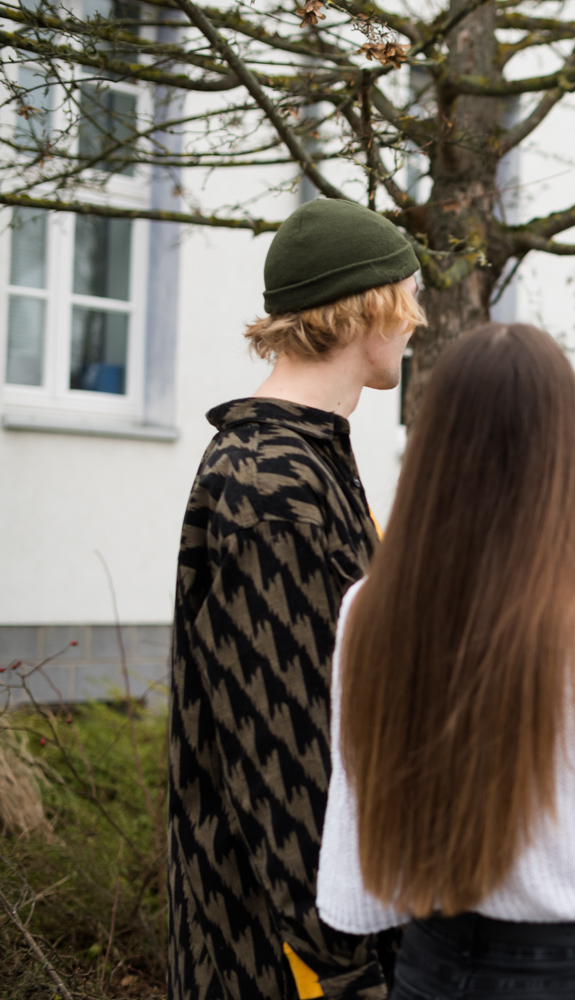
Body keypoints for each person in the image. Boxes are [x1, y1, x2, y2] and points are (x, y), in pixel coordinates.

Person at [316, 324, 575, 1000]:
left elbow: (355, 886)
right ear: (567, 450)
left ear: (432, 443)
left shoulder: (370, 608)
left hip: (428, 964)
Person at [168, 198, 424, 1000]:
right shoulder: (270, 484)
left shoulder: (310, 460)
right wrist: (349, 966)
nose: (416, 322)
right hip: (284, 960)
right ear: (369, 308)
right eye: (409, 297)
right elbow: (283, 753)